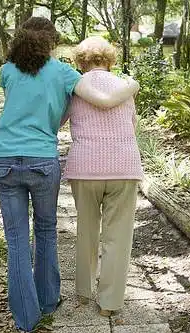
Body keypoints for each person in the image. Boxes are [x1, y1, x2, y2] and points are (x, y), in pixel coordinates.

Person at [0, 18, 139, 332]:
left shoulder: (10, 71)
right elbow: (116, 112)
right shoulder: (66, 75)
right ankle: (68, 301)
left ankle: (31, 317)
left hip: (10, 158)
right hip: (58, 161)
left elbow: (31, 111)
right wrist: (132, 85)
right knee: (49, 232)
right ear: (52, 43)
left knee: (18, 241)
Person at [62, 36, 144, 317]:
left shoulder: (75, 87)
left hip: (85, 168)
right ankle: (109, 303)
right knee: (118, 237)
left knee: (86, 230)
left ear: (80, 62)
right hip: (124, 167)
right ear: (110, 60)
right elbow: (132, 126)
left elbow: (59, 120)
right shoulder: (124, 86)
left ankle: (84, 293)